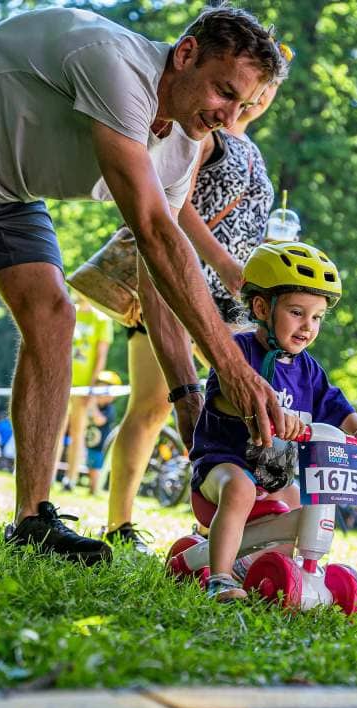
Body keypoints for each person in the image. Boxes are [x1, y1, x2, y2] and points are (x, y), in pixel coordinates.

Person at [0, 6, 288, 564]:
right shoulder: (117, 68)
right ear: (185, 54)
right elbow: (156, 232)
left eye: (243, 106)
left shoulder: (183, 145)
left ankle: (32, 521)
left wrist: (188, 395)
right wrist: (233, 369)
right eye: (223, 92)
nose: (227, 116)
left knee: (54, 316)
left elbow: (156, 274)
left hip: (9, 187)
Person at [101, 71, 289, 552]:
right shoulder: (207, 137)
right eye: (255, 86)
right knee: (150, 404)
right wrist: (222, 260)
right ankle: (120, 523)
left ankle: (221, 525)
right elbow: (173, 204)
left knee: (235, 408)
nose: (261, 97)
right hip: (177, 286)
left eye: (270, 89)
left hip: (234, 301)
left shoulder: (255, 154)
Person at [189, 241, 357, 602]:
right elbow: (221, 398)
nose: (307, 326)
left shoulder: (308, 369)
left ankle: (288, 571)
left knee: (302, 499)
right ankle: (220, 578)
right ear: (262, 307)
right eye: (297, 312)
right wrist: (265, 414)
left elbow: (337, 406)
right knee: (240, 488)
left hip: (274, 477)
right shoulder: (239, 352)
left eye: (317, 317)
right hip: (221, 467)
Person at [60, 296, 114, 491]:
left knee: (78, 432)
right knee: (56, 430)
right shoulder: (68, 311)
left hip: (84, 388)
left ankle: (70, 479)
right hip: (62, 381)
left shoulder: (101, 320)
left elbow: (101, 357)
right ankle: (47, 477)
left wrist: (92, 389)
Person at [83, 370, 121, 497]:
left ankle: (95, 489)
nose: (99, 395)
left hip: (100, 447)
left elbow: (99, 421)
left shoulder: (109, 409)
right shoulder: (93, 407)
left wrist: (92, 405)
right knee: (90, 466)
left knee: (96, 468)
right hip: (91, 443)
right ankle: (91, 488)